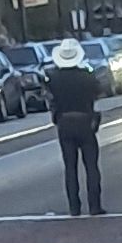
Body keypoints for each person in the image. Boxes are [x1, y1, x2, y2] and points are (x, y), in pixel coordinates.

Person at [47, 41, 107, 218]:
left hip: (64, 123)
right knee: (91, 166)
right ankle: (94, 205)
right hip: (85, 121)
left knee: (70, 168)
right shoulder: (87, 76)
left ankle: (74, 207)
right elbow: (98, 92)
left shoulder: (53, 78)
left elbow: (51, 99)